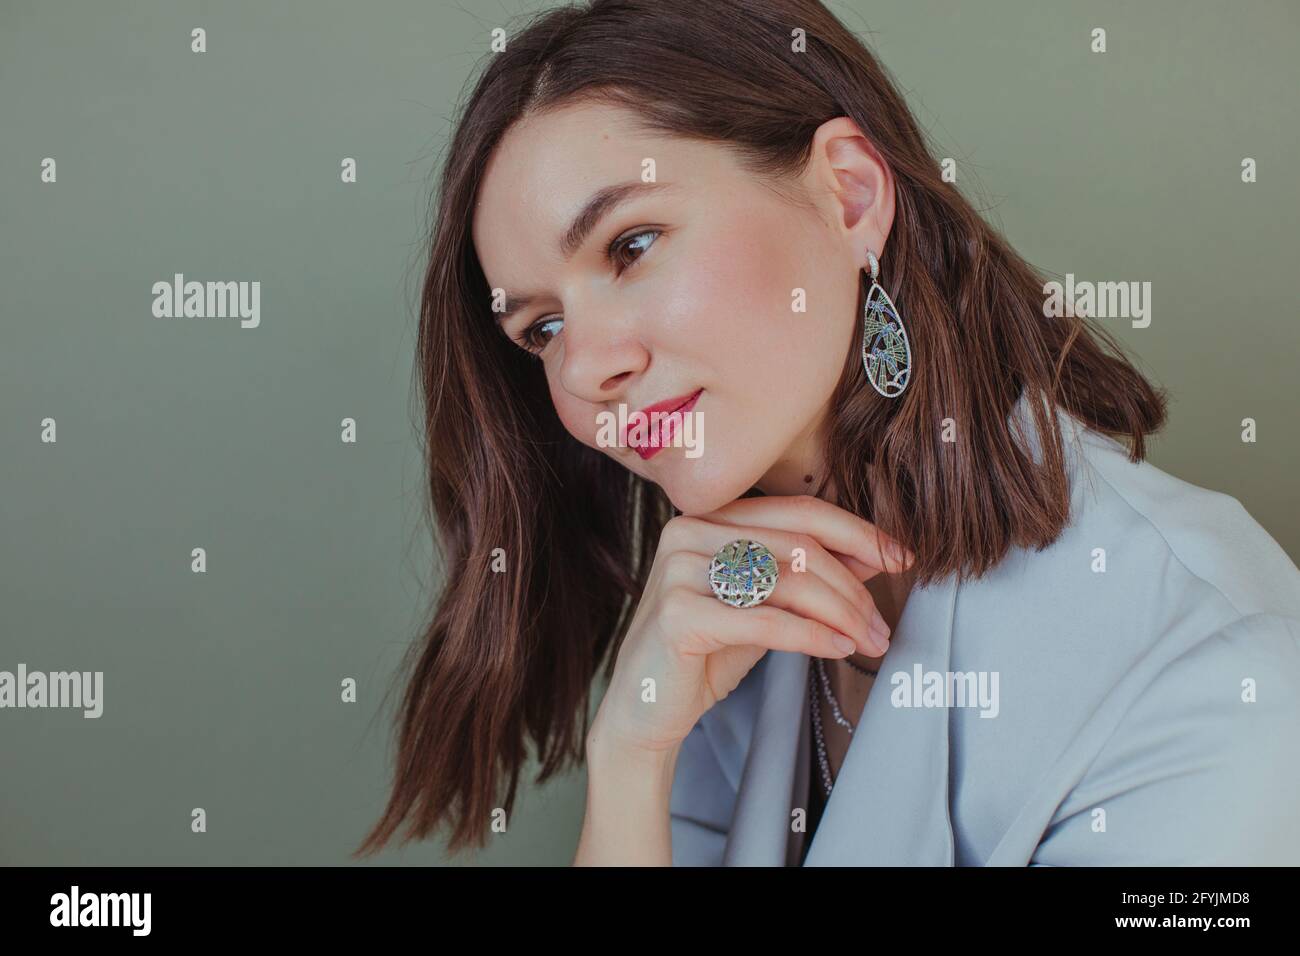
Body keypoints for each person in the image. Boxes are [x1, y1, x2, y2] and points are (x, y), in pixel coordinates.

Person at [352, 0, 1300, 865]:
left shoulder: (1206, 668)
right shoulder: (727, 634)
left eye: (631, 246)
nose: (585, 368)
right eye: (541, 329)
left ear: (848, 194)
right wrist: (630, 757)